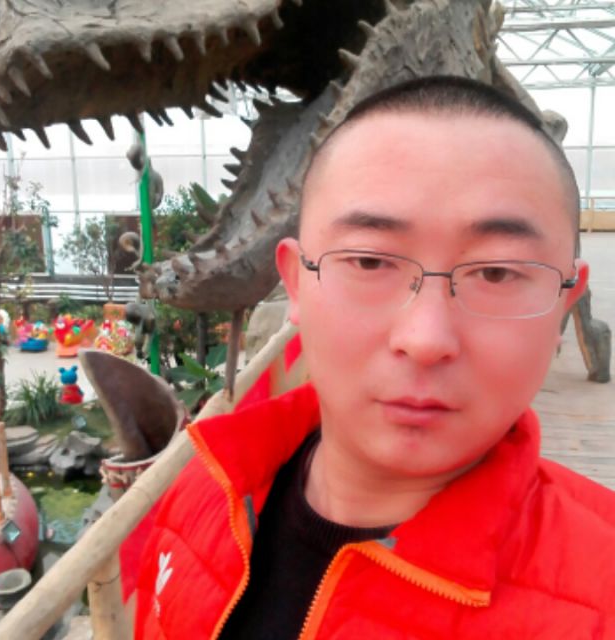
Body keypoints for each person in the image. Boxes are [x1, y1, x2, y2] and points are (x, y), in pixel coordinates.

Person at [133, 76, 615, 639]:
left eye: (496, 272)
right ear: (295, 283)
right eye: (368, 261)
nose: (425, 339)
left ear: (564, 306)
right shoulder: (205, 491)